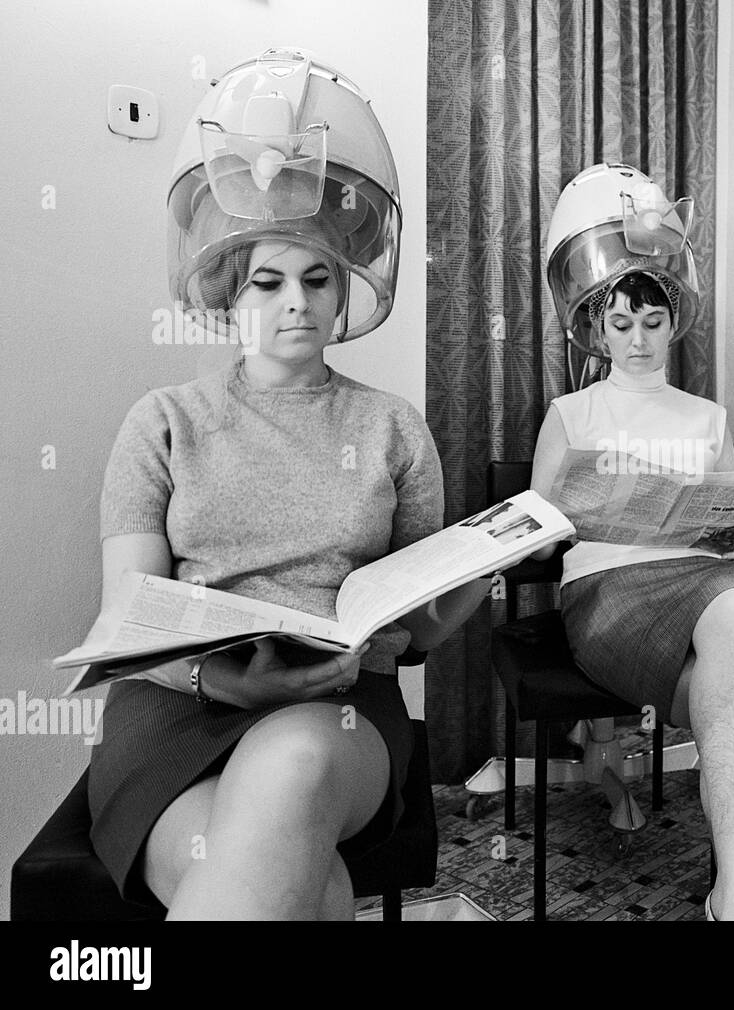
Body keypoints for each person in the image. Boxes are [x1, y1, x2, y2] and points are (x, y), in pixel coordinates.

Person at [88, 51, 488, 920]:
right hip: (176, 706)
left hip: (337, 711)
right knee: (304, 889)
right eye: (268, 281)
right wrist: (221, 682)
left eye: (317, 280)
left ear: (343, 290)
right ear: (231, 292)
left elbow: (412, 625)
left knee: (292, 777)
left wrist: (470, 581)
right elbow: (128, 616)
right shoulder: (162, 421)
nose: (295, 303)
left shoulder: (391, 426)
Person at [532, 164, 734, 921]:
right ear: (596, 325)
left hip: (706, 582)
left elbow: (733, 524)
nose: (639, 339)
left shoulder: (707, 416)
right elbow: (540, 530)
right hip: (608, 590)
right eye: (622, 324)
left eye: (652, 322)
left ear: (672, 319)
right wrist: (577, 508)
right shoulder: (571, 412)